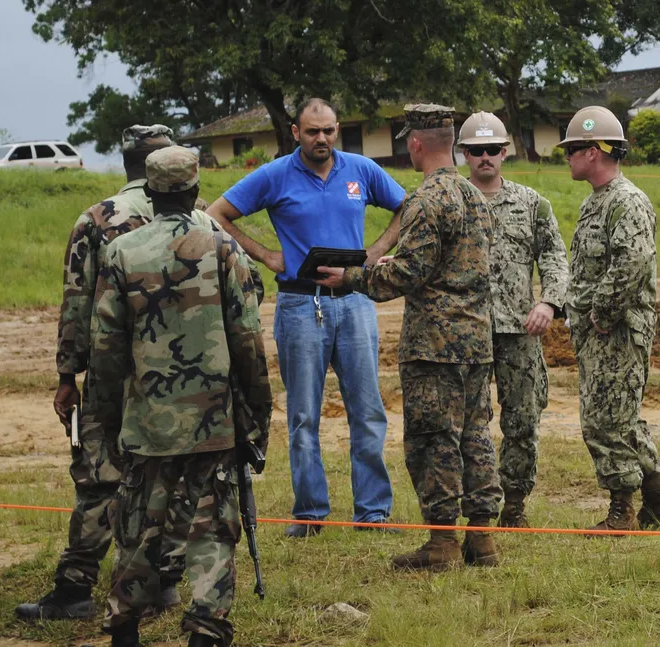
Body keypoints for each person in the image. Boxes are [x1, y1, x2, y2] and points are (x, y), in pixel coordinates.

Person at [89, 146, 272, 647]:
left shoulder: (121, 252)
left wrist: (104, 423)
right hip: (214, 424)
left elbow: (105, 350)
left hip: (148, 423)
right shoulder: (221, 249)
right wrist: (258, 416)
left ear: (149, 194)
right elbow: (248, 344)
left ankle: (125, 626)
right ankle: (206, 628)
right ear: (194, 191)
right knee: (212, 531)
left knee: (139, 530)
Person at [19, 124, 203, 620]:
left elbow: (76, 306)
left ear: (128, 164)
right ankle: (162, 583)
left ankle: (76, 587)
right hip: (178, 375)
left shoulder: (96, 219)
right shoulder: (197, 218)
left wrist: (66, 376)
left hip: (112, 374)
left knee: (101, 476)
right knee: (172, 479)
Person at [207, 98, 406, 537]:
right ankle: (310, 514)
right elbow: (216, 214)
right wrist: (266, 256)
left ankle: (372, 513)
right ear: (296, 133)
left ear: (338, 130)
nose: (322, 140)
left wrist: (374, 254)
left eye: (330, 131)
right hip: (300, 304)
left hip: (354, 301)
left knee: (368, 410)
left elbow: (405, 208)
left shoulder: (361, 169)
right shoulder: (275, 174)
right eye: (313, 132)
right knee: (303, 415)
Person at [316, 104, 502, 571]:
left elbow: (410, 271)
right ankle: (482, 541)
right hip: (477, 340)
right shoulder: (476, 198)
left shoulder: (426, 201)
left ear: (416, 144)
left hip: (435, 345)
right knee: (475, 435)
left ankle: (441, 543)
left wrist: (353, 277)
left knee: (433, 440)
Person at [561, 106, 660, 533]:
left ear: (595, 151)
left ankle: (622, 510)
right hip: (599, 332)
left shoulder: (626, 201)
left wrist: (601, 312)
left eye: (573, 149)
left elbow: (633, 261)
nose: (568, 157)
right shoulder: (597, 201)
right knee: (620, 416)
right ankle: (659, 498)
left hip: (616, 330)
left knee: (604, 420)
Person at [457, 112, 569, 528]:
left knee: (522, 419)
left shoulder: (532, 203)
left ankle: (516, 505)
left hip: (520, 330)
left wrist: (550, 303)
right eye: (476, 151)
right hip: (465, 331)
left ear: (505, 151)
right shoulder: (453, 201)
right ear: (464, 155)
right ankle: (478, 506)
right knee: (471, 422)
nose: (485, 157)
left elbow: (556, 258)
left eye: (492, 150)